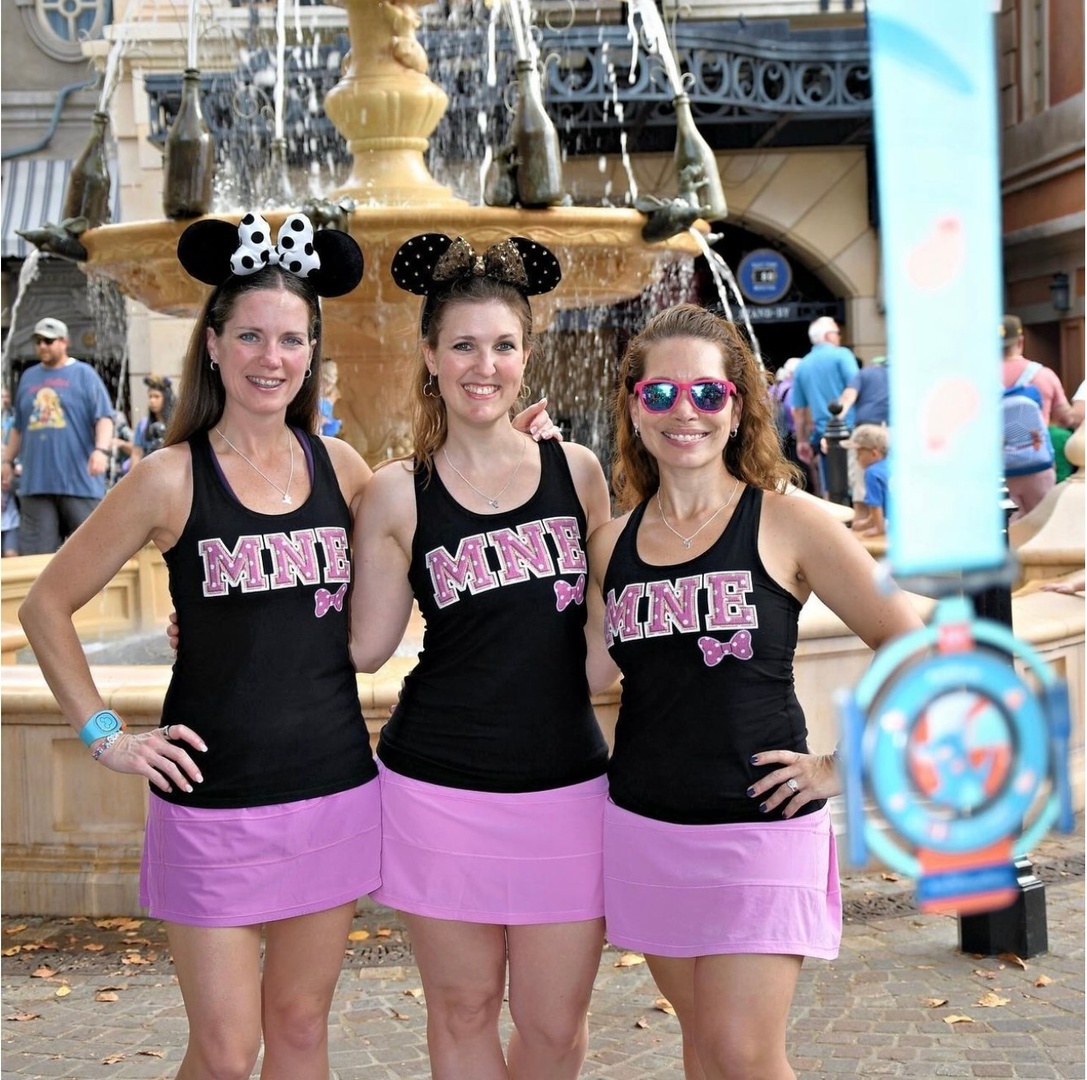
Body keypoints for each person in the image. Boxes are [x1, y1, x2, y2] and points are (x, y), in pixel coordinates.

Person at [19, 211, 383, 1080]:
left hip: (330, 786)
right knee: (225, 1052)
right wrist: (105, 736)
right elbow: (45, 605)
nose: (272, 357)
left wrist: (530, 456)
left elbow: (421, 557)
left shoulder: (344, 468)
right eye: (250, 335)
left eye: (292, 339)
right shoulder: (168, 476)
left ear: (311, 354)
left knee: (299, 1031)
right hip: (211, 800)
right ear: (213, 344)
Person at [585, 304, 921, 1080]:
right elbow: (591, 673)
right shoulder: (611, 543)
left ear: (737, 408)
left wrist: (840, 767)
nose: (684, 413)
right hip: (645, 824)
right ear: (634, 407)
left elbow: (909, 644)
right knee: (702, 1048)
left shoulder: (789, 519)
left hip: (760, 825)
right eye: (660, 393)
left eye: (707, 394)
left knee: (743, 1054)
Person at [350, 233, 613, 1079]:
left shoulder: (575, 471)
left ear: (526, 357)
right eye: (462, 345)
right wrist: (220, 626)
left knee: (551, 1025)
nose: (482, 365)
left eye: (502, 346)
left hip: (567, 785)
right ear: (429, 356)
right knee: (461, 1012)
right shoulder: (397, 489)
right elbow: (365, 645)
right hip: (436, 786)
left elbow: (615, 627)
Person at [1, 317, 115, 554]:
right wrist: (7, 461)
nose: (42, 345)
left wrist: (101, 451)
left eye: (48, 341)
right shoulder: (28, 377)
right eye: (38, 341)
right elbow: (19, 427)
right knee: (37, 556)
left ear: (64, 342)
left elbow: (104, 417)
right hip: (35, 483)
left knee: (92, 551)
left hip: (79, 481)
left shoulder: (85, 374)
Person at [1000, 315, 1076, 517]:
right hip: (1037, 464)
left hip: (998, 469)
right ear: (1021, 341)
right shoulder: (1044, 375)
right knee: (1041, 525)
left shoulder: (978, 379)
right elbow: (1067, 418)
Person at [790, 315, 859, 496]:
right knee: (857, 488)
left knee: (830, 489)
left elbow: (798, 410)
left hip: (822, 435)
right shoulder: (842, 355)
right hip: (850, 430)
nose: (840, 337)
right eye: (837, 332)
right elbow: (856, 386)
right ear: (828, 336)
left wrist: (802, 441)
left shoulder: (802, 366)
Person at [832, 353, 889, 513]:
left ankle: (863, 523)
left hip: (868, 429)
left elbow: (848, 397)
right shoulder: (902, 374)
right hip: (896, 430)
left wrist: (835, 421)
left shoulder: (865, 373)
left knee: (861, 487)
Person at [841, 423, 890, 538]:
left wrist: (878, 528)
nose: (857, 458)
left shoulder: (872, 473)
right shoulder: (891, 465)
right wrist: (868, 522)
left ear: (874, 453)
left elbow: (875, 504)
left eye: (859, 453)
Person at [131, 374, 176, 466]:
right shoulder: (143, 424)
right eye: (150, 397)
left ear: (166, 398)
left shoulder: (176, 423)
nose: (152, 400)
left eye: (156, 396)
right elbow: (136, 453)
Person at [1, 386, 20, 556]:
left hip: (9, 517)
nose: (4, 400)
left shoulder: (12, 421)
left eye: (6, 396)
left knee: (11, 555)